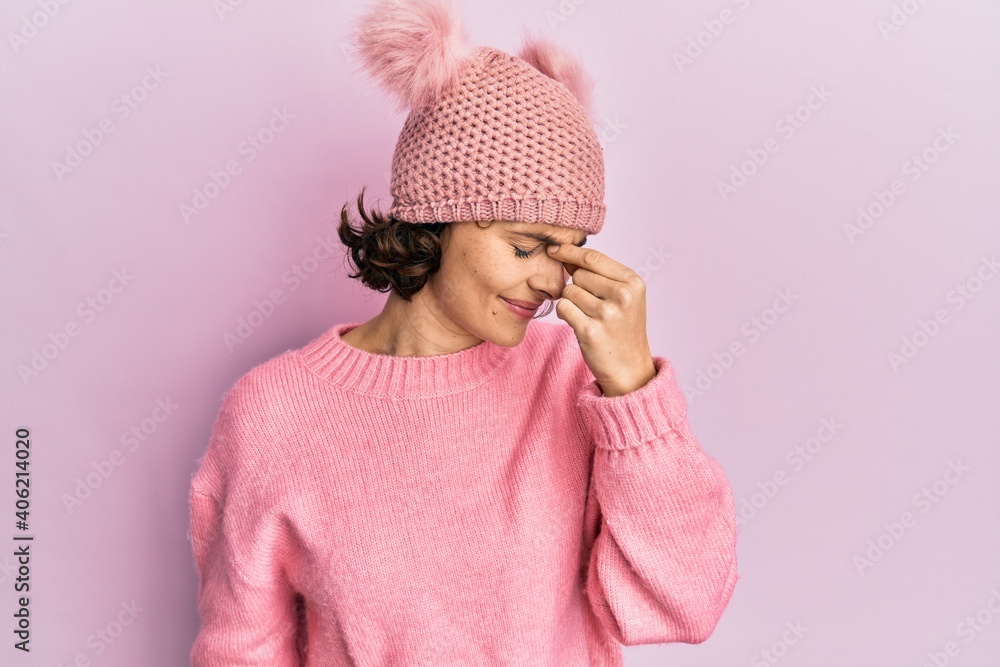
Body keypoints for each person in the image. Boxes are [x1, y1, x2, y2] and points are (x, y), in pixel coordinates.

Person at [187, 0, 739, 664]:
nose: (550, 282)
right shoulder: (272, 414)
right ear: (436, 217)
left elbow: (684, 601)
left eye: (570, 250)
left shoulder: (574, 382)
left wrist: (634, 394)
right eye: (527, 244)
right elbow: (241, 650)